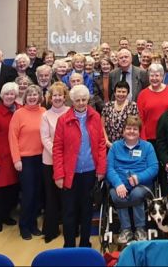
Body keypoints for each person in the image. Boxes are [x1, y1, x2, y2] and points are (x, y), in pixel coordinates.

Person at [53, 84, 107, 248]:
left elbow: (101, 144)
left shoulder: (95, 116)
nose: (82, 103)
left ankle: (85, 242)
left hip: (90, 172)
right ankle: (69, 244)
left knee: (86, 210)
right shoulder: (63, 119)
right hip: (71, 173)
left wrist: (101, 169)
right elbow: (57, 148)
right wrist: (59, 174)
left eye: (84, 100)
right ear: (72, 101)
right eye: (78, 100)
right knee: (69, 211)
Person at [106, 115, 158, 244]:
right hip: (120, 184)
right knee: (118, 195)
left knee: (136, 194)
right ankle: (126, 230)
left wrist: (139, 177)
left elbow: (154, 167)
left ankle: (140, 229)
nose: (131, 131)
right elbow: (109, 168)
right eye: (128, 128)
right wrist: (118, 184)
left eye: (135, 129)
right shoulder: (115, 147)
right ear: (123, 131)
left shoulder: (147, 147)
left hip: (141, 185)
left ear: (139, 131)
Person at [9, 85, 46, 240]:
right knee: (28, 194)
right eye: (29, 95)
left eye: (35, 94)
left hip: (42, 158)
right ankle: (24, 226)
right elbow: (12, 137)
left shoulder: (44, 112)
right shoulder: (19, 114)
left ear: (39, 97)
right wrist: (17, 159)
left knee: (38, 194)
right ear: (25, 97)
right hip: (25, 160)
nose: (32, 97)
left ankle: (33, 224)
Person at [0, 82, 20, 233]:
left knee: (11, 191)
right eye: (7, 94)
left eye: (12, 94)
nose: (9, 96)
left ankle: (6, 215)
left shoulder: (19, 110)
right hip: (1, 159)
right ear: (1, 96)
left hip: (15, 157)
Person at [40, 83, 70, 243]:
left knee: (67, 197)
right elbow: (45, 138)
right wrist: (58, 154)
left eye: (60, 95)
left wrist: (66, 155)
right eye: (54, 96)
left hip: (69, 162)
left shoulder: (71, 112)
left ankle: (69, 228)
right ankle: (51, 230)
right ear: (50, 98)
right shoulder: (45, 115)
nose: (57, 98)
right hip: (50, 161)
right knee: (51, 197)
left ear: (65, 97)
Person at [137, 64, 168, 144]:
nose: (154, 78)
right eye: (151, 76)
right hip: (149, 138)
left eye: (157, 75)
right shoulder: (142, 94)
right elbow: (140, 119)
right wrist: (143, 139)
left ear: (162, 77)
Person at [101, 81, 139, 148]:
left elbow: (134, 127)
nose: (121, 94)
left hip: (127, 145)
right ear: (115, 93)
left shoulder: (133, 106)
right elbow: (102, 126)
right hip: (109, 145)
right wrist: (107, 142)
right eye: (119, 91)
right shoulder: (107, 106)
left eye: (124, 92)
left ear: (128, 93)